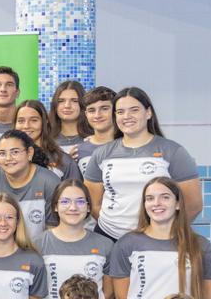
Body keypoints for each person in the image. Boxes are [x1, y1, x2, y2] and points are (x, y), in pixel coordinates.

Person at [109, 177, 211, 299]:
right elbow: (121, 296)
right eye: (150, 198)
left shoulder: (200, 246)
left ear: (177, 204)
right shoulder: (127, 244)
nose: (157, 203)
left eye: (165, 197)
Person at [84, 87, 202, 240]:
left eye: (134, 110)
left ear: (148, 113)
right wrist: (114, 227)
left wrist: (163, 232)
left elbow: (193, 205)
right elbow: (93, 203)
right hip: (109, 236)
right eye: (120, 112)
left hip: (157, 237)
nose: (127, 116)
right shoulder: (102, 154)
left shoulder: (172, 151)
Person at [35, 180, 113, 299]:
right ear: (55, 206)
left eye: (79, 201)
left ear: (88, 207)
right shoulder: (38, 244)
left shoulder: (105, 245)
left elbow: (108, 292)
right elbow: (33, 294)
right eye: (65, 201)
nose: (73, 208)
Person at [0, 130, 60, 242]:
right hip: (1, 252)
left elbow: (54, 231)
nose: (8, 158)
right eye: (2, 153)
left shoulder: (50, 182)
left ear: (29, 153)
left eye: (14, 152)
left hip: (40, 253)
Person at [14, 99, 81, 181]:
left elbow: (76, 192)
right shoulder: (8, 159)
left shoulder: (63, 161)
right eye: (21, 121)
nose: (26, 126)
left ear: (45, 122)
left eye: (34, 120)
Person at [76, 86, 116, 178]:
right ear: (86, 114)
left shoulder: (127, 145)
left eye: (104, 108)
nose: (97, 115)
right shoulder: (79, 151)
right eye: (91, 110)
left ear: (115, 111)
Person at [49, 79, 88, 154]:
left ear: (83, 104)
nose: (67, 106)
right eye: (61, 101)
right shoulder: (46, 138)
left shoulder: (93, 138)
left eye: (74, 101)